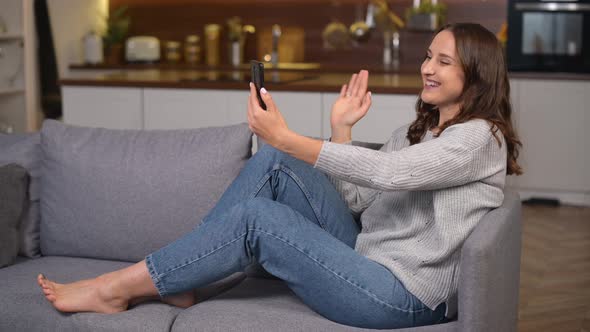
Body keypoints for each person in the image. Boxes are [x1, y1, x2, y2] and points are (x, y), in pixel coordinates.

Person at [37, 22, 522, 329]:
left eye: (443, 61)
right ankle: (181, 280)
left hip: (404, 294)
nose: (426, 69)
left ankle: (118, 287)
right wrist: (340, 128)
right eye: (427, 57)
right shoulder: (416, 130)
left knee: (258, 216)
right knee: (275, 162)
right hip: (366, 256)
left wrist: (291, 137)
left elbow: (391, 173)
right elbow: (356, 201)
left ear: (476, 75)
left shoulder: (480, 139)